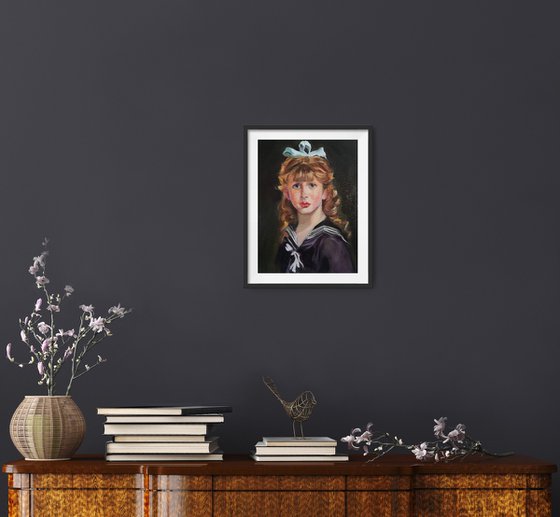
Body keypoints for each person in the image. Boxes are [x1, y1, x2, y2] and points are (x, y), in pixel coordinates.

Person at [275, 141, 356, 273]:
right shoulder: (288, 238)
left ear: (325, 192)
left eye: (312, 185)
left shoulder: (332, 244)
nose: (304, 194)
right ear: (287, 193)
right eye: (296, 186)